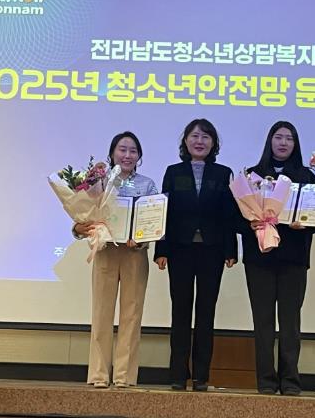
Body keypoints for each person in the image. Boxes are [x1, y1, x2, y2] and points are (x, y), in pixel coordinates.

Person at [238, 120, 315, 396]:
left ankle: (290, 380)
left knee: (290, 322)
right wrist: (251, 223)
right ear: (270, 141)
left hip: (294, 258)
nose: (283, 143)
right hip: (260, 259)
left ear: (296, 144)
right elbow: (235, 217)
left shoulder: (305, 176)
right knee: (263, 321)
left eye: (289, 138)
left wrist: (306, 224)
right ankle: (266, 381)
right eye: (278, 137)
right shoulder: (252, 176)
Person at [154, 118, 237, 392]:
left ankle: (201, 375)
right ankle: (178, 374)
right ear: (186, 141)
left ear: (213, 143)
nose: (199, 141)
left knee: (206, 312)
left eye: (205, 137)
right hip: (180, 249)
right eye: (194, 136)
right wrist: (161, 250)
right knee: (180, 311)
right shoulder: (173, 171)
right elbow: (164, 212)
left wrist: (231, 250)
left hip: (213, 250)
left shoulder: (223, 173)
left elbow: (228, 215)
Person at [74, 132, 158, 389]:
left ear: (139, 156)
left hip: (134, 254)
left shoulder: (147, 185)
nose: (127, 155)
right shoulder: (97, 183)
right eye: (122, 149)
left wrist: (141, 238)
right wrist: (81, 228)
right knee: (101, 313)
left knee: (132, 314)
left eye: (133, 151)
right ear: (112, 153)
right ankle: (99, 374)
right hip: (105, 251)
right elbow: (81, 219)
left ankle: (124, 376)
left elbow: (154, 220)